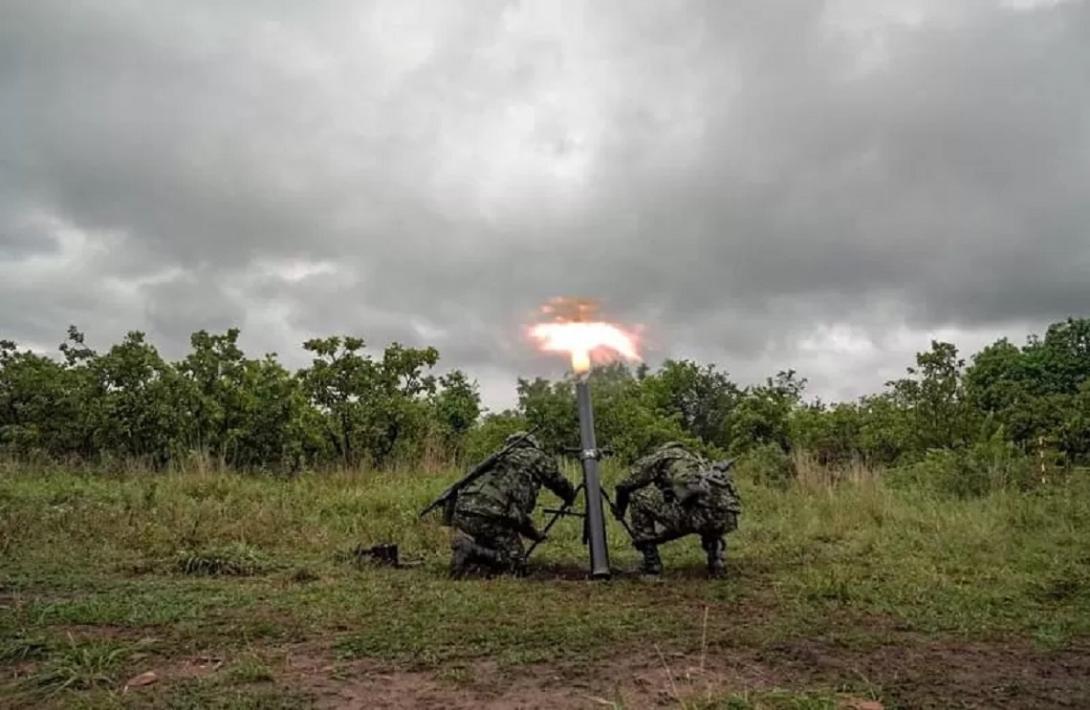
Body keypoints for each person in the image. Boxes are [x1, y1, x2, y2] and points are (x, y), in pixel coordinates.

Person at [448, 432, 576, 578]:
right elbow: (557, 481)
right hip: (491, 516)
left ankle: (475, 558)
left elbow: (513, 513)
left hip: (463, 511)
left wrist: (534, 534)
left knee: (494, 538)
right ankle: (470, 549)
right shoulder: (535, 456)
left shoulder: (499, 456)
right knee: (516, 563)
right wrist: (570, 495)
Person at [613, 441, 741, 578]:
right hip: (726, 519)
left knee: (638, 497)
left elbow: (626, 485)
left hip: (696, 517)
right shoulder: (699, 461)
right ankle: (716, 561)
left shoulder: (663, 456)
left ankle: (652, 565)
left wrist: (620, 508)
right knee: (707, 510)